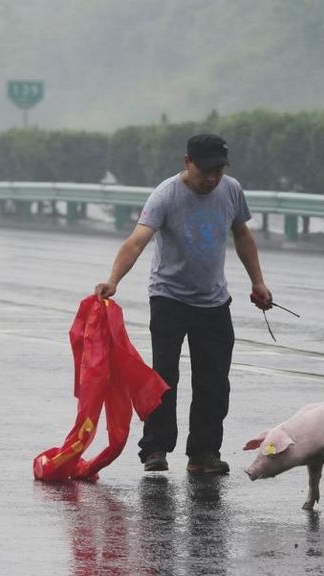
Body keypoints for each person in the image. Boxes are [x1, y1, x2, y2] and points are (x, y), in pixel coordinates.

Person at [94, 133, 272, 474]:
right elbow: (137, 242)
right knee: (164, 377)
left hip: (214, 301)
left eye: (219, 170)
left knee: (214, 381)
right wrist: (114, 280)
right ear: (187, 162)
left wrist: (258, 282)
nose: (212, 178)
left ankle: (203, 453)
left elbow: (242, 236)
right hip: (169, 298)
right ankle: (155, 448)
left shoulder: (231, 190)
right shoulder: (166, 195)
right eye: (206, 170)